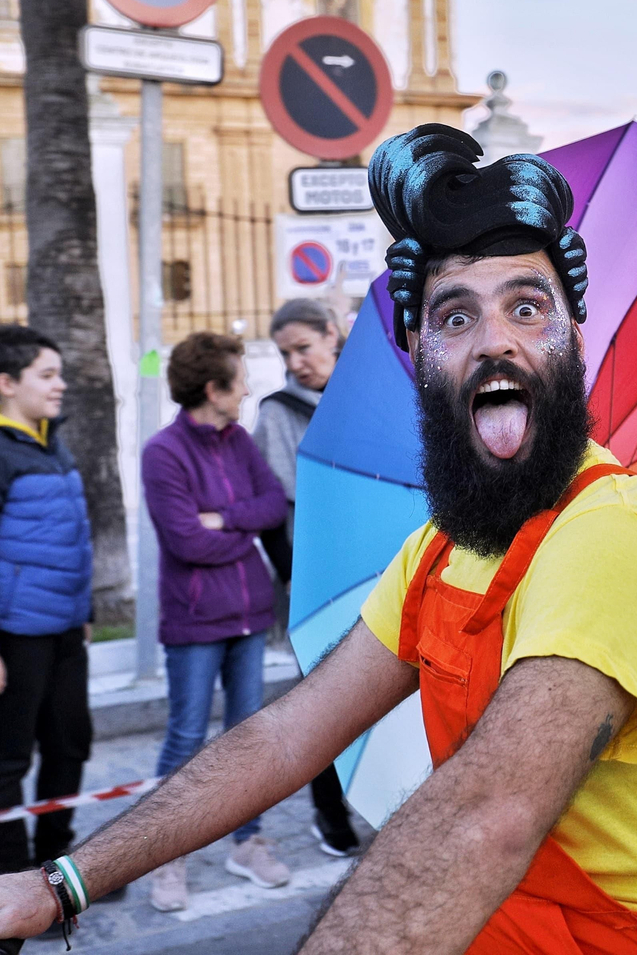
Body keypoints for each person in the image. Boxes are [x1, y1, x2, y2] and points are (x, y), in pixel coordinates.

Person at [0, 124, 637, 954]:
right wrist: (61, 883)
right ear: (416, 349)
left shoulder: (615, 533)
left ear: (574, 333)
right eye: (456, 318)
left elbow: (485, 817)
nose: (496, 339)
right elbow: (289, 734)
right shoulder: (437, 552)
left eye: (528, 307)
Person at [139, 331, 291, 911]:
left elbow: (272, 503)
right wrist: (239, 527)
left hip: (249, 613)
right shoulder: (163, 452)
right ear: (213, 388)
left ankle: (247, 842)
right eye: (240, 379)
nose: (248, 389)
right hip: (196, 620)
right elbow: (183, 541)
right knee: (185, 736)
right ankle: (163, 855)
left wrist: (222, 519)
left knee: (247, 737)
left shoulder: (238, 442)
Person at [0, 325, 95, 879]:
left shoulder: (51, 442)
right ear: (7, 383)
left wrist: (85, 615)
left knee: (70, 745)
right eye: (47, 375)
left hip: (64, 631)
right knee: (8, 757)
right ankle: (11, 880)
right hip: (13, 636)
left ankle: (54, 872)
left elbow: (67, 536)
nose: (60, 386)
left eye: (59, 374)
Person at [253, 298, 361, 860]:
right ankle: (328, 809)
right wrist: (292, 575)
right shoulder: (276, 412)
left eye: (303, 347)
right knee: (325, 698)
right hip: (313, 572)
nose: (296, 362)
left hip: (375, 562)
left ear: (331, 336)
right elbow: (274, 505)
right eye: (285, 353)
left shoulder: (366, 395)